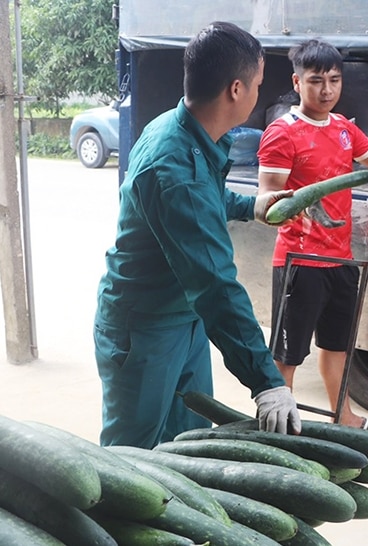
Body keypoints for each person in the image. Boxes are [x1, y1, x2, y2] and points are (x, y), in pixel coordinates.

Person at [93, 21, 301, 448]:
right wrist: (267, 382)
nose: (261, 94)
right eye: (260, 85)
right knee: (130, 464)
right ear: (237, 90)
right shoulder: (174, 166)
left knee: (188, 448)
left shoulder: (184, 128)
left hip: (184, 320)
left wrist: (251, 206)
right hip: (146, 329)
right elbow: (215, 286)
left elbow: (203, 199)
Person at [257, 38, 368, 435]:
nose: (326, 91)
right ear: (297, 82)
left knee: (337, 345)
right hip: (299, 260)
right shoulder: (281, 133)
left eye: (334, 81)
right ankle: (279, 423)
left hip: (340, 257)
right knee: (288, 353)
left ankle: (344, 415)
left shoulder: (344, 129)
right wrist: (296, 203)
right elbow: (268, 202)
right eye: (316, 81)